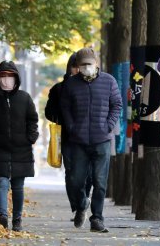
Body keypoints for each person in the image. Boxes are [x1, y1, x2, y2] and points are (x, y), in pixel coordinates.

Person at [60, 47, 122, 233]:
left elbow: (117, 104)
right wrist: (72, 127)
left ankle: (97, 219)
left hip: (101, 139)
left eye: (89, 64)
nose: (86, 67)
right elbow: (65, 108)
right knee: (75, 179)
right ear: (77, 67)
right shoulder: (71, 84)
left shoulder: (109, 81)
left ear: (96, 64)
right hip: (78, 141)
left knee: (100, 181)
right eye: (82, 65)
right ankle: (81, 205)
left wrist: (108, 125)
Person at [0, 61, 39, 232]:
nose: (6, 79)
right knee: (1, 182)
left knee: (18, 186)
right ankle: (3, 216)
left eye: (10, 76)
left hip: (22, 148)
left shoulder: (24, 98)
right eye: (3, 76)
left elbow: (32, 120)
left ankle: (18, 220)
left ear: (16, 78)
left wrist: (31, 137)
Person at [44, 53, 93, 221]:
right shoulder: (59, 88)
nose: (78, 69)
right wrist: (62, 115)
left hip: (88, 136)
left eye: (82, 66)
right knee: (71, 173)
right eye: (75, 66)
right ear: (70, 68)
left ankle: (83, 202)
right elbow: (49, 113)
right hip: (68, 138)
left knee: (88, 173)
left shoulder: (91, 86)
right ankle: (80, 204)